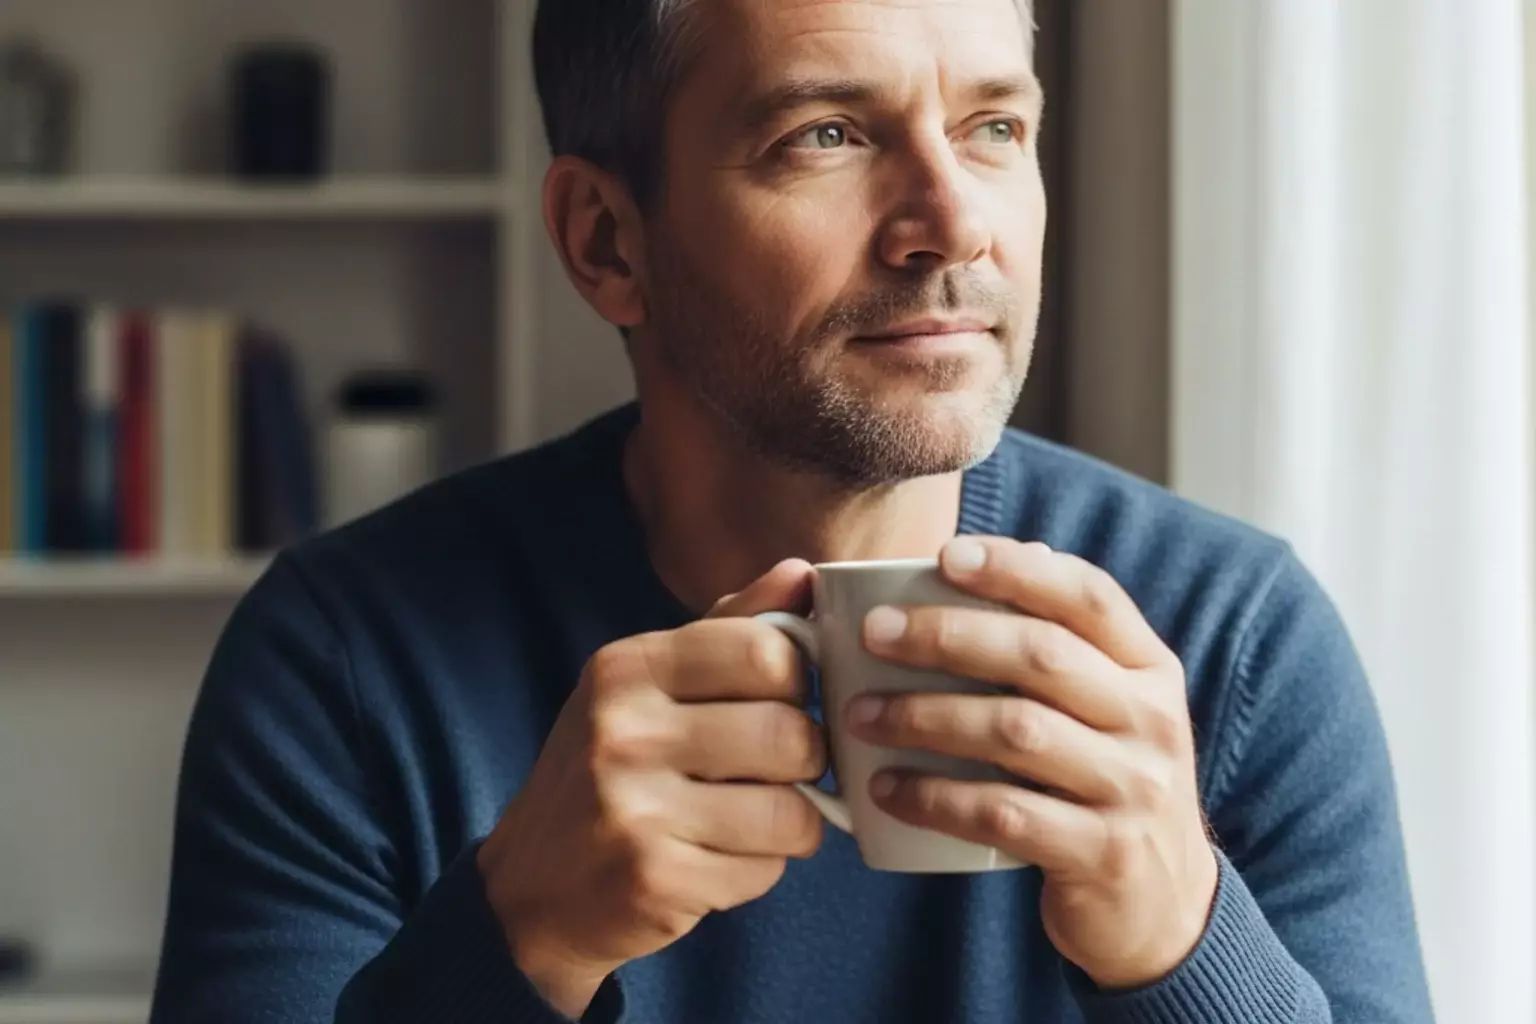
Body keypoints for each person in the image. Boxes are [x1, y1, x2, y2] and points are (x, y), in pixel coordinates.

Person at [148, 0, 1435, 1021]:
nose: (952, 225)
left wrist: (1182, 951)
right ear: (606, 241)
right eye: (827, 134)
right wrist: (517, 945)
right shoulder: (348, 659)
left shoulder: (1231, 640)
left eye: (994, 127)